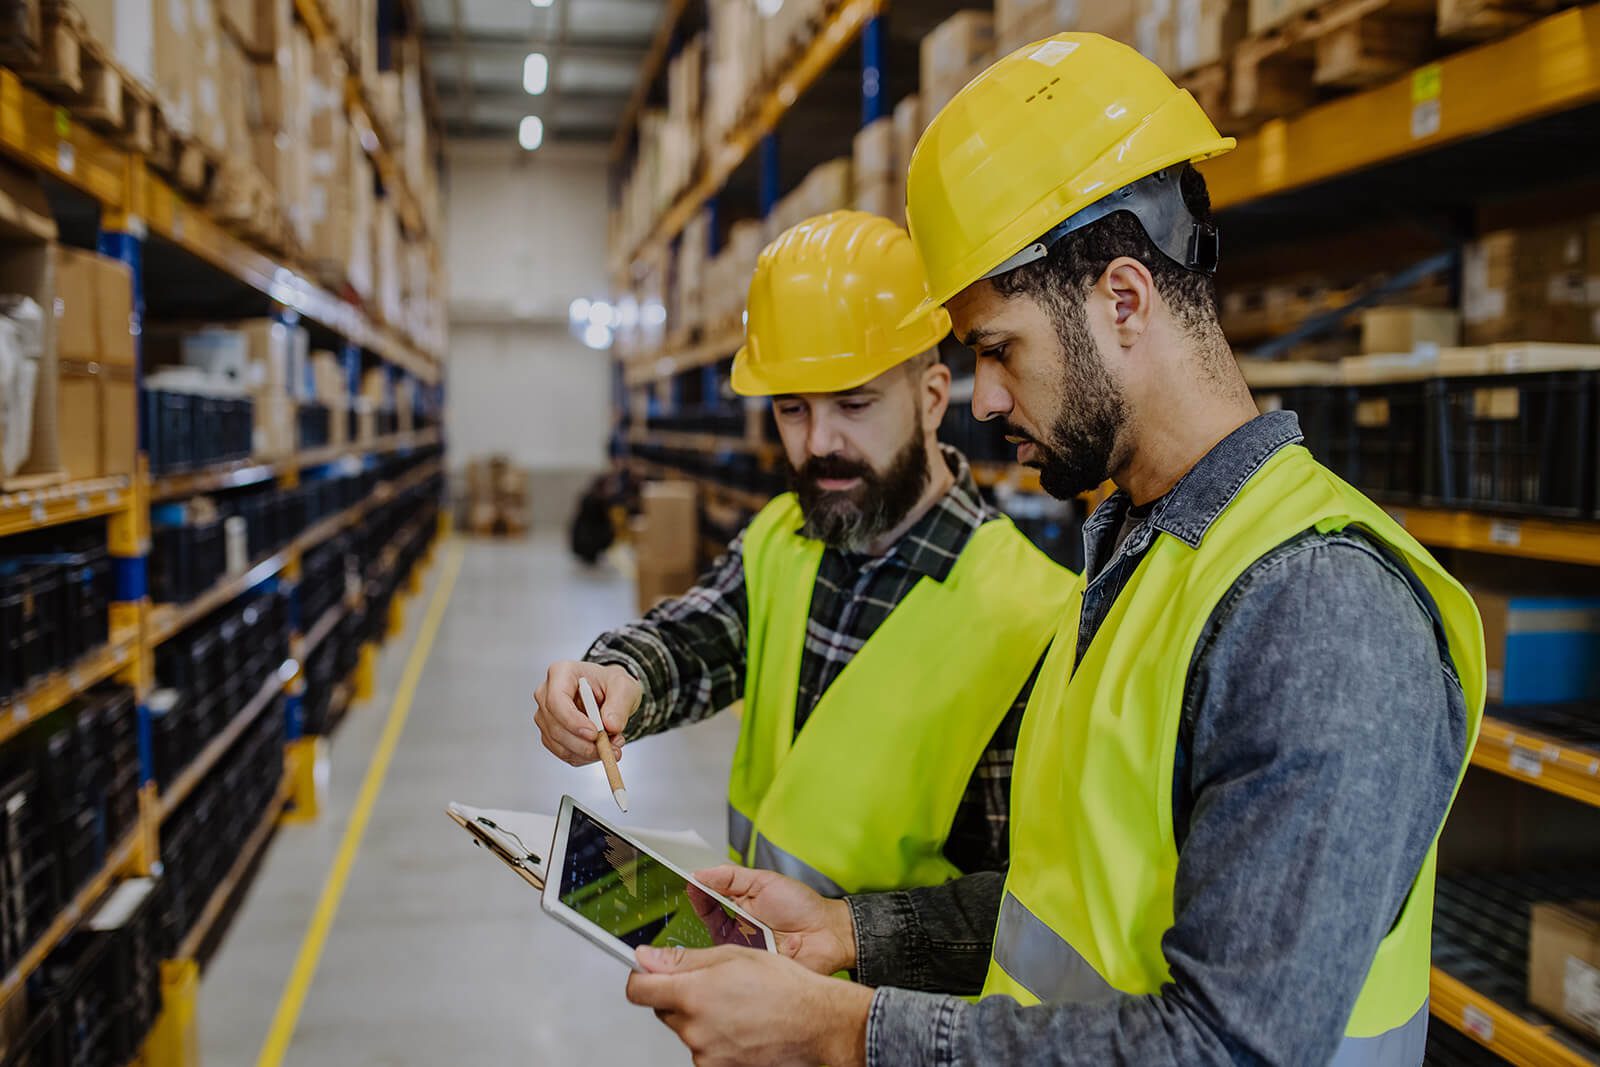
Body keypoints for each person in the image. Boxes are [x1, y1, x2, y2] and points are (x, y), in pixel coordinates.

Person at [621, 34, 1486, 1067]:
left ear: (1123, 300)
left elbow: (1231, 1046)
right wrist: (853, 931)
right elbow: (1068, 907)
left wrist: (845, 1027)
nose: (981, 399)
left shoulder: (1318, 608)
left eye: (997, 350)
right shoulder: (1137, 556)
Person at [534, 210, 1073, 897]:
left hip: (877, 1005)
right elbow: (696, 636)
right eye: (793, 409)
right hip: (759, 979)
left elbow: (1015, 906)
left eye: (853, 405)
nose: (818, 444)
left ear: (933, 398)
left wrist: (847, 950)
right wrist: (616, 676)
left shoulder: (1030, 620)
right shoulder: (784, 534)